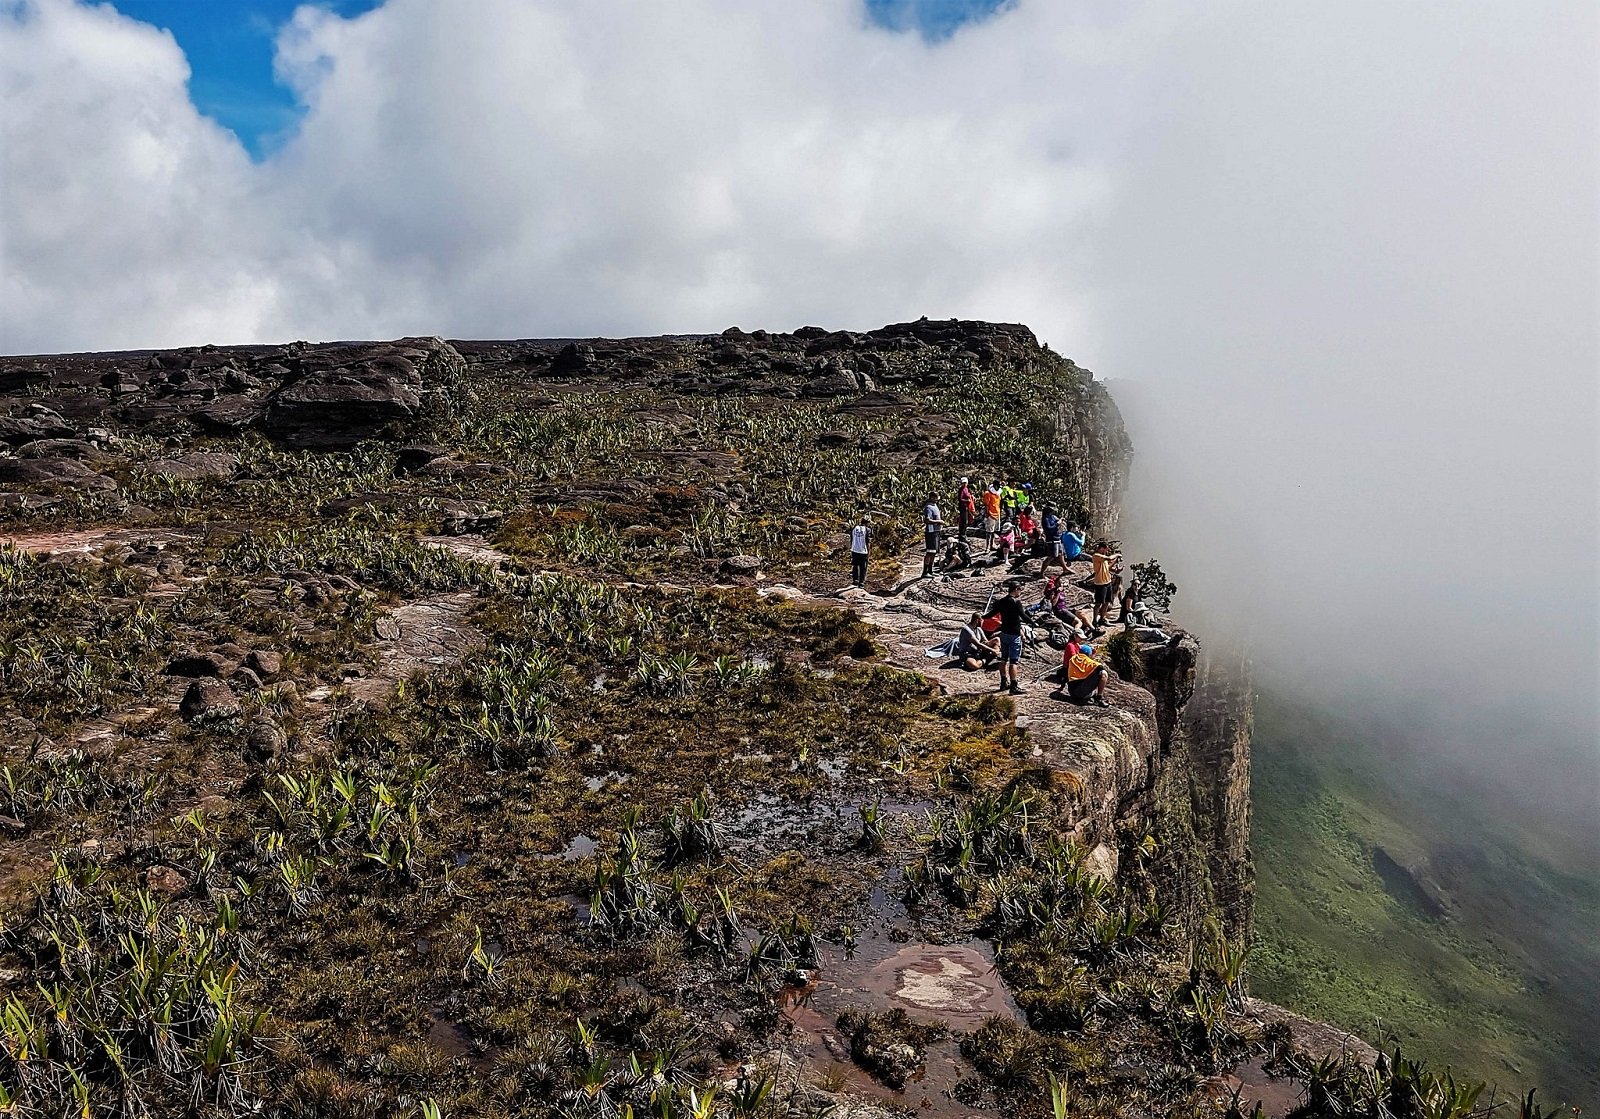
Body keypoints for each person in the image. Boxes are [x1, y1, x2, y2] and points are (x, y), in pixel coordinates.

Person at [983, 581, 1029, 695]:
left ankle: (1003, 682)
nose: (1020, 592)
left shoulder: (1002, 601)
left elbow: (991, 614)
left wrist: (982, 617)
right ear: (1016, 589)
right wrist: (1035, 623)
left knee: (1003, 658)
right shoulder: (1016, 602)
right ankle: (1014, 685)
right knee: (1014, 661)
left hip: (1004, 633)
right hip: (1014, 635)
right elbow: (1023, 616)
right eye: (1020, 590)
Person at [1090, 542, 1121, 627]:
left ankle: (1102, 619)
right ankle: (1094, 621)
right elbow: (1109, 557)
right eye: (1106, 549)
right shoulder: (1096, 556)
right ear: (1101, 548)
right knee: (1098, 603)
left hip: (1108, 582)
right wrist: (1117, 554)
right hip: (1100, 583)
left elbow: (1107, 567)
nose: (1107, 551)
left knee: (1107, 602)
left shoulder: (1103, 559)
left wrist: (1116, 566)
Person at [921, 496, 944, 577]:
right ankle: (925, 571)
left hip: (936, 531)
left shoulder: (935, 506)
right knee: (930, 552)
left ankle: (930, 571)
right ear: (931, 498)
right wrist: (938, 521)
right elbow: (927, 520)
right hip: (931, 531)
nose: (937, 499)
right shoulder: (928, 507)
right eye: (935, 498)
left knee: (934, 552)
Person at [849, 516, 870, 588]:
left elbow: (851, 539)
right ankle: (861, 583)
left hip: (854, 550)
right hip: (863, 551)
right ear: (867, 523)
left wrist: (852, 547)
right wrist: (868, 552)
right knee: (863, 567)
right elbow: (868, 542)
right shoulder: (867, 530)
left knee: (855, 565)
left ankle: (855, 580)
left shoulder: (854, 528)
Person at [981, 482, 1002, 551]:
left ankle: (992, 545)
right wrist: (987, 513)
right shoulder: (988, 493)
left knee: (994, 531)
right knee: (989, 531)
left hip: (997, 514)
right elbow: (986, 504)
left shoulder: (998, 494)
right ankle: (987, 547)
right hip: (990, 514)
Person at [956, 478, 976, 542]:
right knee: (964, 522)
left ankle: (963, 535)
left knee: (966, 521)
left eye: (965, 483)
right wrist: (967, 500)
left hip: (966, 507)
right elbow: (960, 499)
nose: (964, 484)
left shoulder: (966, 489)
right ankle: (962, 536)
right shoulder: (961, 490)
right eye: (963, 483)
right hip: (963, 507)